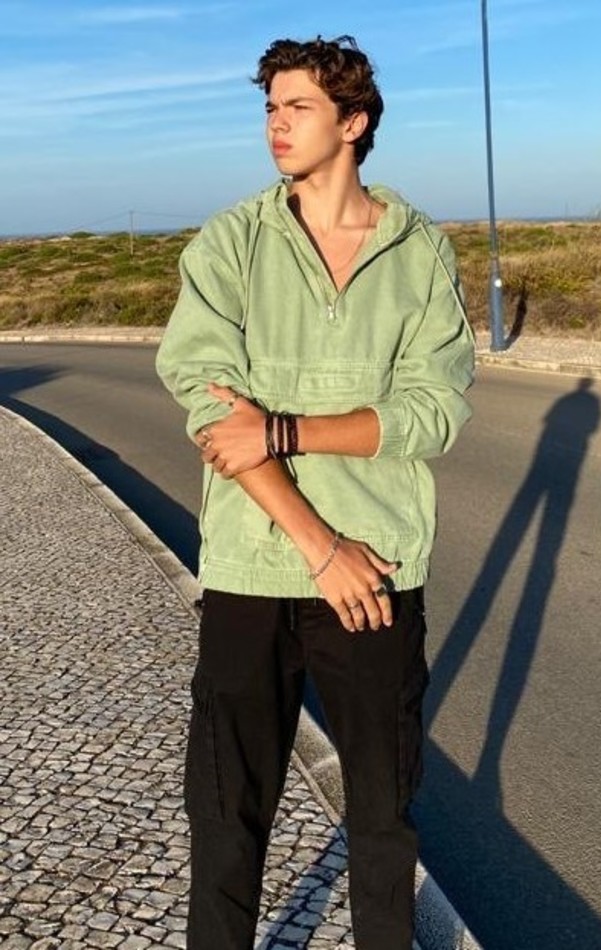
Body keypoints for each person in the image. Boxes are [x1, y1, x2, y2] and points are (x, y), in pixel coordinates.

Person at [156, 34, 474, 950]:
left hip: (378, 573)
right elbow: (214, 413)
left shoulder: (419, 253)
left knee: (382, 820)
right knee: (227, 817)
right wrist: (319, 546)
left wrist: (286, 429)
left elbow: (432, 413)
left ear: (354, 122)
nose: (276, 126)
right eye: (270, 108)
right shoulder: (231, 242)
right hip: (254, 571)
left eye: (297, 108)